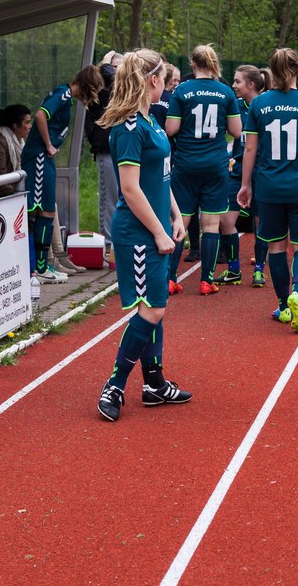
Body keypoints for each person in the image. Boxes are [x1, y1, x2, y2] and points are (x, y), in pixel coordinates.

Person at [95, 49, 191, 422]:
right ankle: (114, 384)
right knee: (152, 309)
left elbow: (159, 177)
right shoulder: (129, 127)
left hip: (156, 227)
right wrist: (158, 231)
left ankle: (153, 383)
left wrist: (175, 214)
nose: (168, 85)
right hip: (137, 233)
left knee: (154, 306)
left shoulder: (152, 121)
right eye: (166, 79)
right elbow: (131, 190)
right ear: (153, 81)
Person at [238, 48, 298, 334]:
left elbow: (250, 148)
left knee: (276, 246)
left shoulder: (259, 105)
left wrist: (245, 184)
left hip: (269, 187)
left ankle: (282, 305)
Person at [164, 45, 242, 295]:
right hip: (215, 165)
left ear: (192, 63)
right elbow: (237, 131)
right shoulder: (225, 92)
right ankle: (207, 280)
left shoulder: (181, 90)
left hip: (186, 164)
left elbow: (171, 129)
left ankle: (170, 278)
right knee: (211, 225)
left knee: (180, 222)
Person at [21, 65, 104, 282]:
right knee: (41, 211)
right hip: (39, 156)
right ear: (88, 86)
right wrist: (48, 144)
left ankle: (43, 266)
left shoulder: (66, 96)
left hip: (44, 158)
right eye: (94, 90)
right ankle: (38, 268)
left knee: (47, 212)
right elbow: (40, 115)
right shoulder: (63, 93)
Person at [214, 64, 268, 288]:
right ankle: (234, 269)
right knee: (226, 219)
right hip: (236, 171)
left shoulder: (267, 106)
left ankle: (259, 270)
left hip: (262, 172)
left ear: (251, 84)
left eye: (237, 81)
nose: (233, 85)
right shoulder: (234, 106)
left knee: (260, 222)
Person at [85, 51, 123, 257]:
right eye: (115, 67)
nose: (117, 72)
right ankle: (109, 246)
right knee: (109, 199)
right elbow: (107, 76)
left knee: (125, 197)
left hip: (124, 152)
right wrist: (107, 62)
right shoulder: (99, 93)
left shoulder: (124, 91)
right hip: (106, 151)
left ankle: (120, 242)